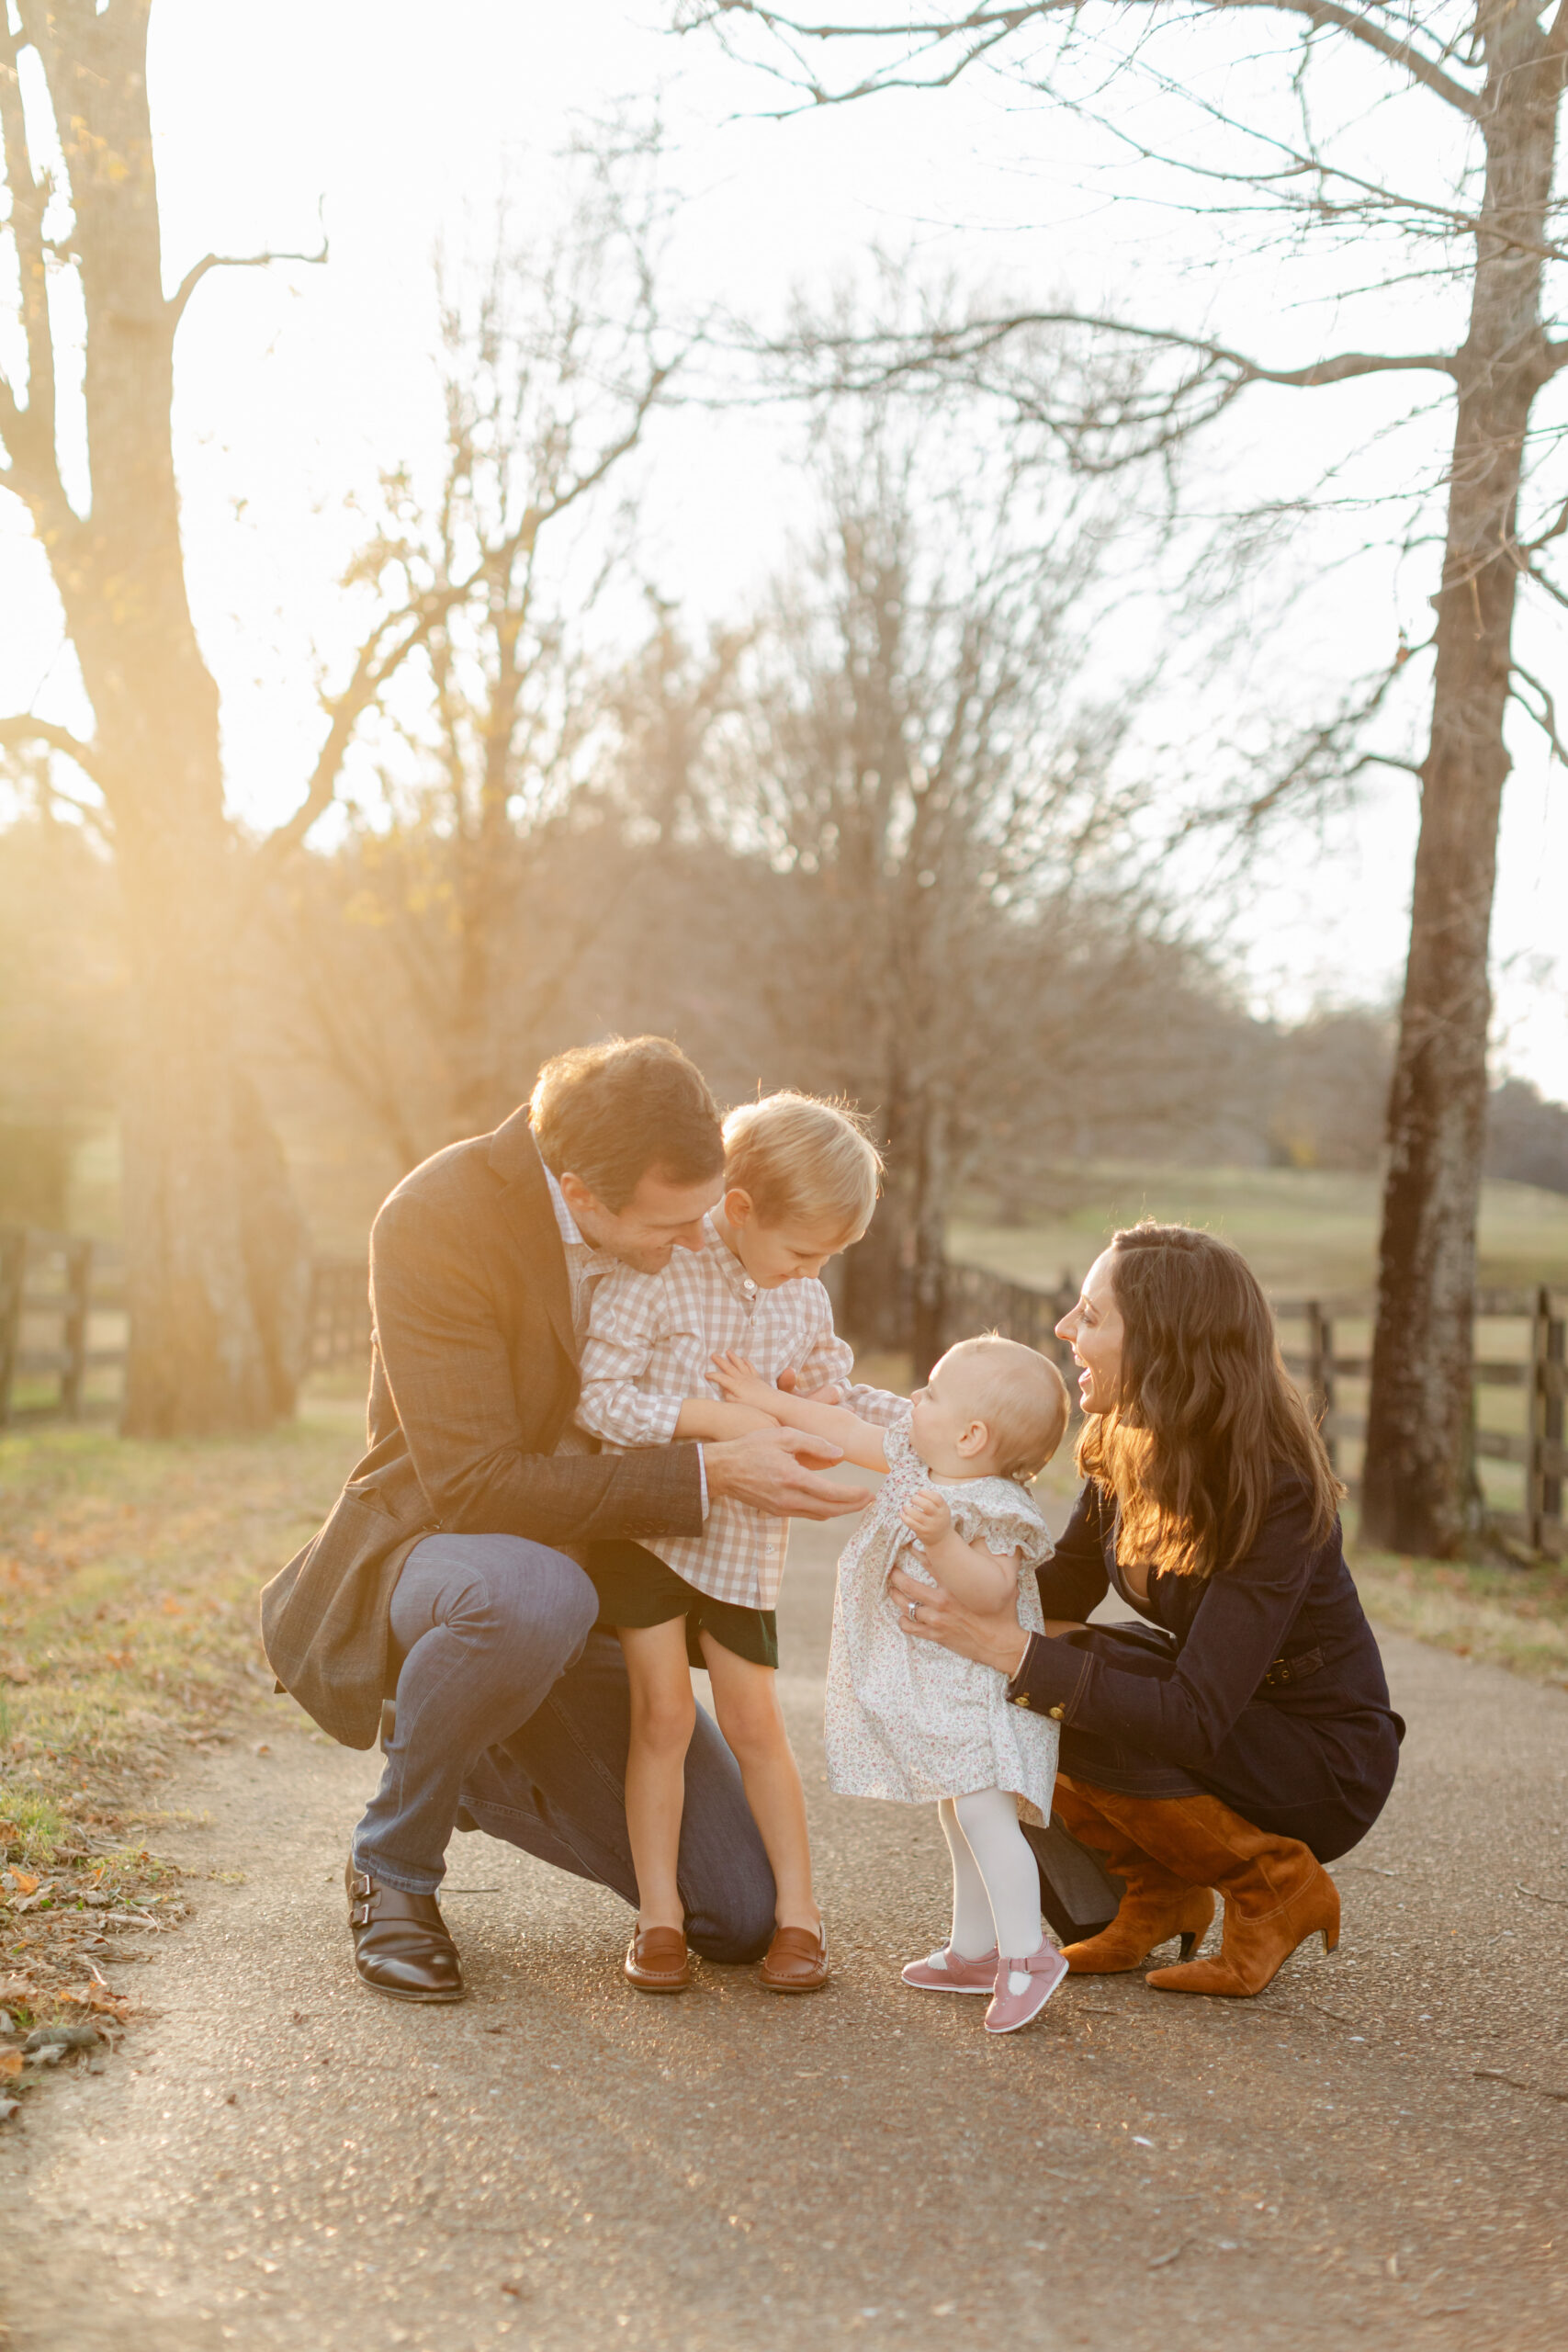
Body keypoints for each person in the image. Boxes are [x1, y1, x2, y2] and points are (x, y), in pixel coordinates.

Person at [260, 1037, 870, 2005]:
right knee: (532, 1591)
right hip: (455, 1556)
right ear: (583, 1196)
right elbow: (474, 1484)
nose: (695, 1241)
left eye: (706, 1214)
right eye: (673, 1226)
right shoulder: (436, 1218)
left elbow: (775, 1324)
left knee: (734, 1914)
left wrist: (817, 1398)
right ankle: (396, 1862)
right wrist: (710, 1474)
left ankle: (458, 1737)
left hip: (610, 1589)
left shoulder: (682, 1204)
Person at [889, 1222, 1404, 2000]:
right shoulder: (1131, 1438)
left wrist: (1005, 1652)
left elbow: (1192, 1716)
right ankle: (1158, 1892)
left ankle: (1273, 1884)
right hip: (1226, 1718)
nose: (1065, 1330)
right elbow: (1054, 1591)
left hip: (1313, 1760)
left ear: (1165, 1340)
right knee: (1041, 1662)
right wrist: (955, 1564)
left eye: (1091, 1317)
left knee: (1052, 1675)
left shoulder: (1271, 1487)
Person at [576, 1092, 896, 1996]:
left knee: (757, 1721)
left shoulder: (801, 1290)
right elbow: (599, 1401)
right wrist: (725, 1419)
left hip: (747, 1538)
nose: (814, 1271)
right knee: (664, 1717)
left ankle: (800, 1916)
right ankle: (658, 1916)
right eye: (805, 1250)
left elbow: (830, 1386)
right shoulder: (657, 1269)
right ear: (742, 1207)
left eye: (829, 1256)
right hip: (652, 1531)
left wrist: (833, 1409)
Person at [714, 1334, 1073, 2034]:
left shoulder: (994, 1504)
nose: (915, 1398)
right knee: (957, 1812)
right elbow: (845, 1428)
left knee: (982, 1816)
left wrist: (942, 1542)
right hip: (944, 1696)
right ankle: (972, 1952)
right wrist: (765, 1400)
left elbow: (995, 1596)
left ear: (972, 1435)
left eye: (932, 1392)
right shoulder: (921, 1461)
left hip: (982, 1702)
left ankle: (1027, 1955)